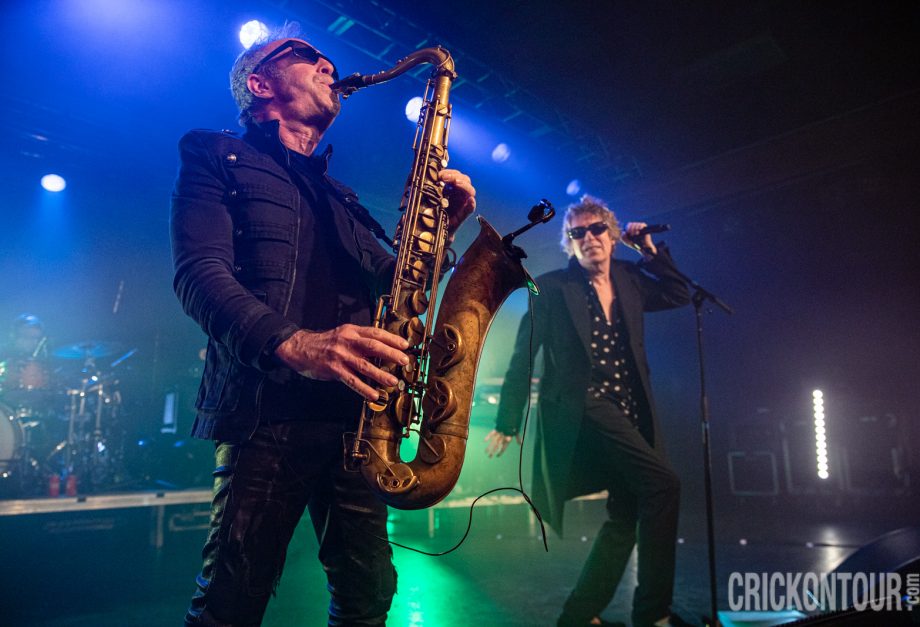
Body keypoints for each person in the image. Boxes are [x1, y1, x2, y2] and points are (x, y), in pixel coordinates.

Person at [170, 24, 476, 627]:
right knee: (232, 600)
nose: (328, 65)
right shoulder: (213, 153)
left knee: (370, 594)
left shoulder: (340, 196)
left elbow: (400, 286)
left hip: (357, 420)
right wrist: (296, 343)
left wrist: (442, 231)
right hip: (267, 412)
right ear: (260, 84)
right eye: (309, 56)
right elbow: (198, 276)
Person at [485, 195, 691, 627]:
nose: (589, 238)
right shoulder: (552, 288)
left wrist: (649, 250)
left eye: (597, 229)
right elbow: (524, 354)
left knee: (626, 515)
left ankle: (577, 617)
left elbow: (677, 293)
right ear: (570, 243)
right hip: (587, 408)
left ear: (612, 236)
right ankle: (653, 615)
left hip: (631, 409)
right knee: (663, 486)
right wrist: (508, 419)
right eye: (578, 233)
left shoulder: (630, 278)